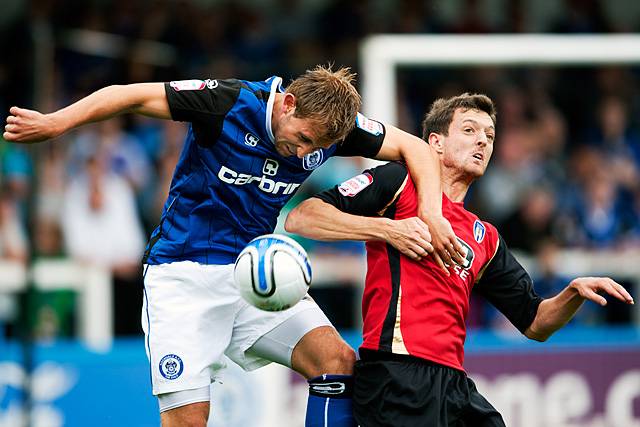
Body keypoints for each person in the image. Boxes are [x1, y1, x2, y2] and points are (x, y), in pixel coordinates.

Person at [3, 65, 466, 427]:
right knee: (188, 420)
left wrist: (430, 213)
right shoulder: (227, 102)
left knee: (338, 361)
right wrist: (56, 123)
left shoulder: (334, 127)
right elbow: (130, 94)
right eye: (303, 139)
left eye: (317, 149)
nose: (305, 154)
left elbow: (418, 150)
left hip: (253, 279)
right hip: (181, 277)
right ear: (286, 104)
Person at [286, 93, 635, 427]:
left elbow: (535, 323)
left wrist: (571, 292)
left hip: (454, 386)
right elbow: (302, 216)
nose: (482, 141)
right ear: (435, 143)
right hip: (397, 375)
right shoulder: (399, 182)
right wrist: (388, 231)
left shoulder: (485, 237)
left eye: (489, 135)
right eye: (469, 131)